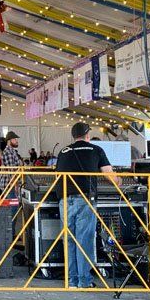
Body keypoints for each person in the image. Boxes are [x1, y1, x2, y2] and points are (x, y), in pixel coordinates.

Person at [54, 123, 114, 289]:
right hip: (85, 199)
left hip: (65, 199)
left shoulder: (63, 151)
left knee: (70, 241)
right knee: (84, 240)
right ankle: (84, 281)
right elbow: (109, 174)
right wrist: (120, 181)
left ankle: (71, 281)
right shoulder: (96, 150)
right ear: (87, 135)